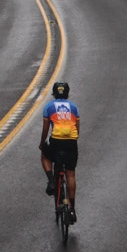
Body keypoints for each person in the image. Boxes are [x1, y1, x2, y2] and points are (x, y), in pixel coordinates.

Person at [39, 80, 80, 223]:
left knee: (45, 156)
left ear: (54, 93)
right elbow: (77, 129)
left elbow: (45, 129)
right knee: (70, 173)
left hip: (56, 141)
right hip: (71, 143)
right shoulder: (74, 107)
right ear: (67, 93)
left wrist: (42, 143)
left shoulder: (49, 107)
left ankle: (51, 181)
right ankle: (72, 209)